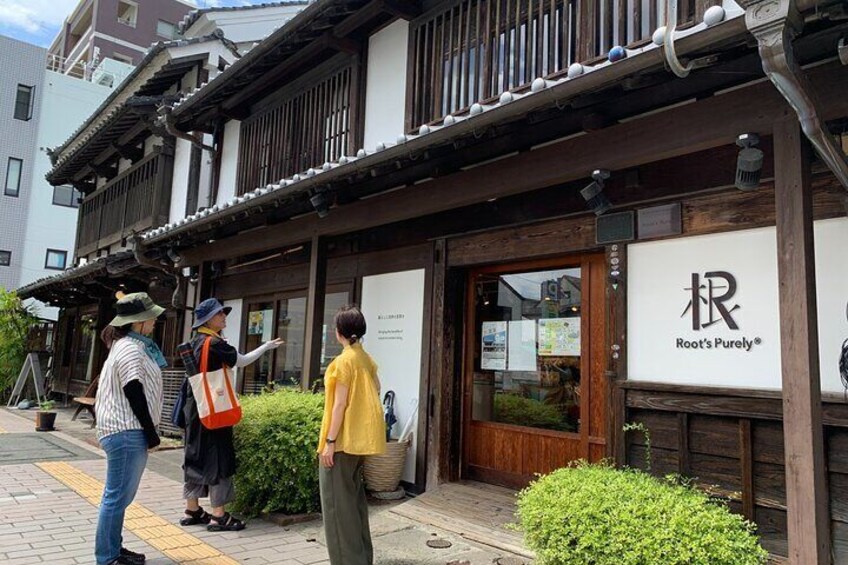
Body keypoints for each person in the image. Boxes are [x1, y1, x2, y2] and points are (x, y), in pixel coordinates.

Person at [180, 298, 283, 531]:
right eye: (220, 315)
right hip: (215, 409)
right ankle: (219, 515)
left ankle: (192, 509)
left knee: (194, 456)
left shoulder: (194, 343)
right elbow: (242, 361)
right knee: (219, 459)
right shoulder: (216, 344)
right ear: (208, 320)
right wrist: (266, 346)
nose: (224, 317)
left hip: (194, 408)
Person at [94, 292, 167, 565]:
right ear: (139, 322)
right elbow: (132, 388)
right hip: (127, 429)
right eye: (151, 317)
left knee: (119, 496)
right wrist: (150, 432)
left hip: (123, 429)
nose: (155, 321)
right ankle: (107, 557)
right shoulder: (131, 348)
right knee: (116, 497)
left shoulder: (126, 345)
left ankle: (114, 549)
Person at [317, 305, 386, 565]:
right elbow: (377, 388)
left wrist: (330, 442)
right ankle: (362, 560)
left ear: (339, 332)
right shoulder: (365, 358)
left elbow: (339, 405)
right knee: (355, 507)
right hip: (359, 444)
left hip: (341, 443)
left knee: (337, 510)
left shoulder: (343, 361)